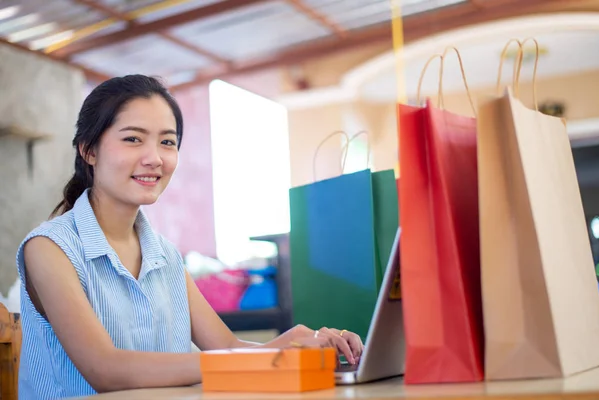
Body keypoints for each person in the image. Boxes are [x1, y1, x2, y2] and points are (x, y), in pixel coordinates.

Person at [16, 75, 364, 399]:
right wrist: (271, 358)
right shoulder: (49, 248)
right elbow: (105, 370)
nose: (154, 158)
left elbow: (223, 345)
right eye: (133, 139)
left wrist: (295, 344)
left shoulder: (165, 255)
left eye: (167, 142)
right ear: (89, 150)